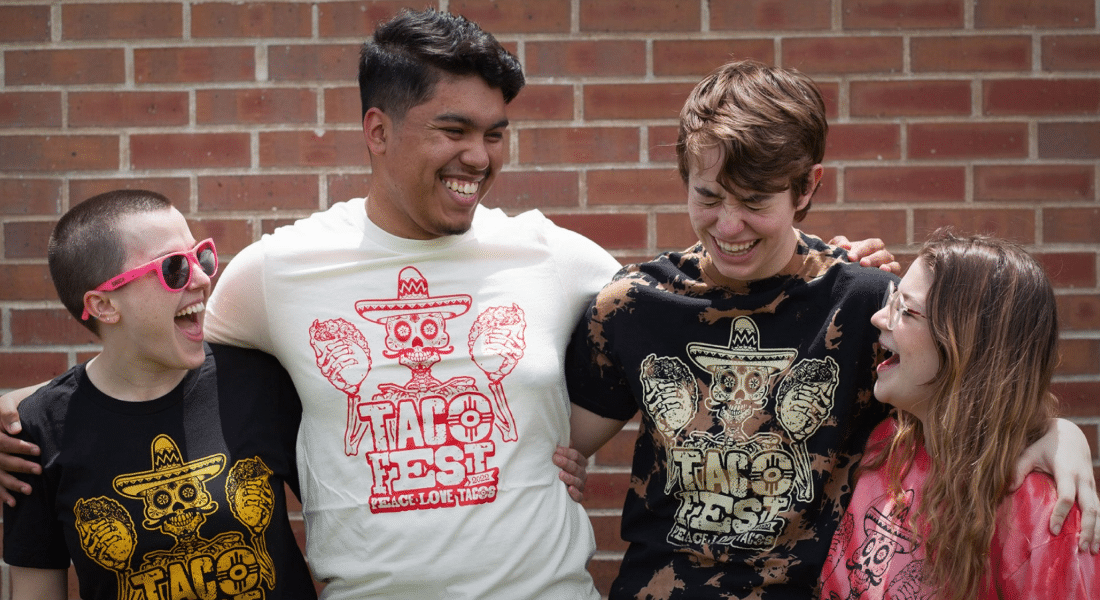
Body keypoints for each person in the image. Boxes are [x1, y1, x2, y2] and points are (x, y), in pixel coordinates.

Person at [0, 10, 904, 599]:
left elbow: (718, 284)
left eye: (497, 133)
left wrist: (835, 261)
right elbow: (149, 351)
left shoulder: (558, 257)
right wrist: (17, 420)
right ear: (377, 130)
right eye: (455, 130)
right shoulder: (276, 273)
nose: (482, 157)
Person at [563, 59, 1099, 599]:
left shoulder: (863, 303)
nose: (728, 225)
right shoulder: (631, 306)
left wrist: (1057, 433)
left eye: (754, 202)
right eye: (707, 197)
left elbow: (964, 395)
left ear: (806, 187)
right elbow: (553, 443)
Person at [2, 189, 316, 600]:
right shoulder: (35, 433)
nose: (204, 278)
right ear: (103, 305)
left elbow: (344, 528)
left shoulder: (260, 383)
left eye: (199, 257)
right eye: (173, 268)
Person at [818, 231, 1099, 599]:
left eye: (905, 309)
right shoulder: (887, 444)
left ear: (970, 346)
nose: (878, 317)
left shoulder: (1042, 513)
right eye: (892, 299)